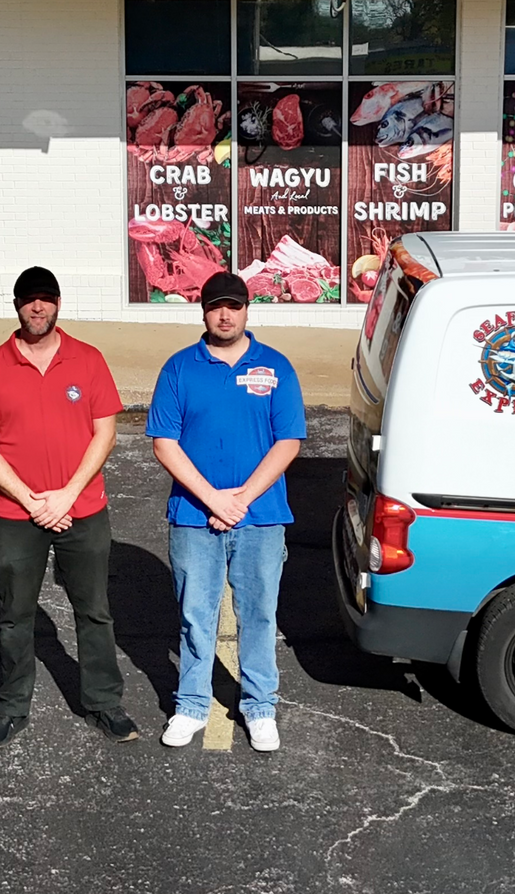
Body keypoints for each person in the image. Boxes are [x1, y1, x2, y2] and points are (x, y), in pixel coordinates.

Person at [0, 266, 137, 748]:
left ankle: (104, 703)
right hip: (19, 515)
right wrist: (32, 500)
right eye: (29, 300)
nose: (37, 307)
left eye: (46, 299)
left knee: (94, 611)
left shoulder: (88, 360)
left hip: (81, 508)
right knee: (14, 615)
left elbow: (105, 434)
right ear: (16, 306)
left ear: (58, 304)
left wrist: (65, 495)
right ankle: (11, 707)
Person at [148, 271, 305, 752]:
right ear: (202, 310)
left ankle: (259, 706)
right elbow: (164, 442)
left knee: (259, 615)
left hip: (261, 517)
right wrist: (214, 499)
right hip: (195, 518)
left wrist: (240, 499)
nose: (224, 314)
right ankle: (192, 704)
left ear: (246, 310)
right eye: (216, 306)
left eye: (233, 306)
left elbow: (288, 441)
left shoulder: (275, 367)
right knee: (196, 615)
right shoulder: (179, 368)